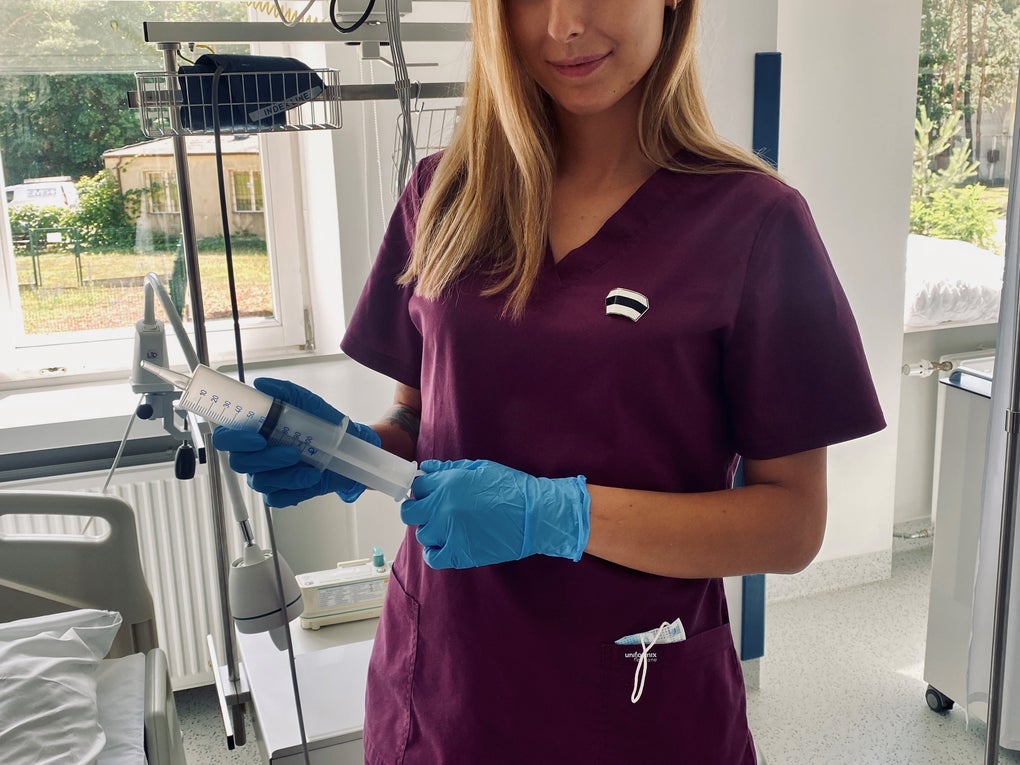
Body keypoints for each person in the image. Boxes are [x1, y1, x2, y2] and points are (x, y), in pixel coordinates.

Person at [214, 0, 886, 761]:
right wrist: (342, 448)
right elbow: (420, 420)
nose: (562, 25)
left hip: (635, 699)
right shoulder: (444, 193)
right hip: (445, 689)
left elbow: (791, 524)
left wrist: (559, 514)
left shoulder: (756, 222)